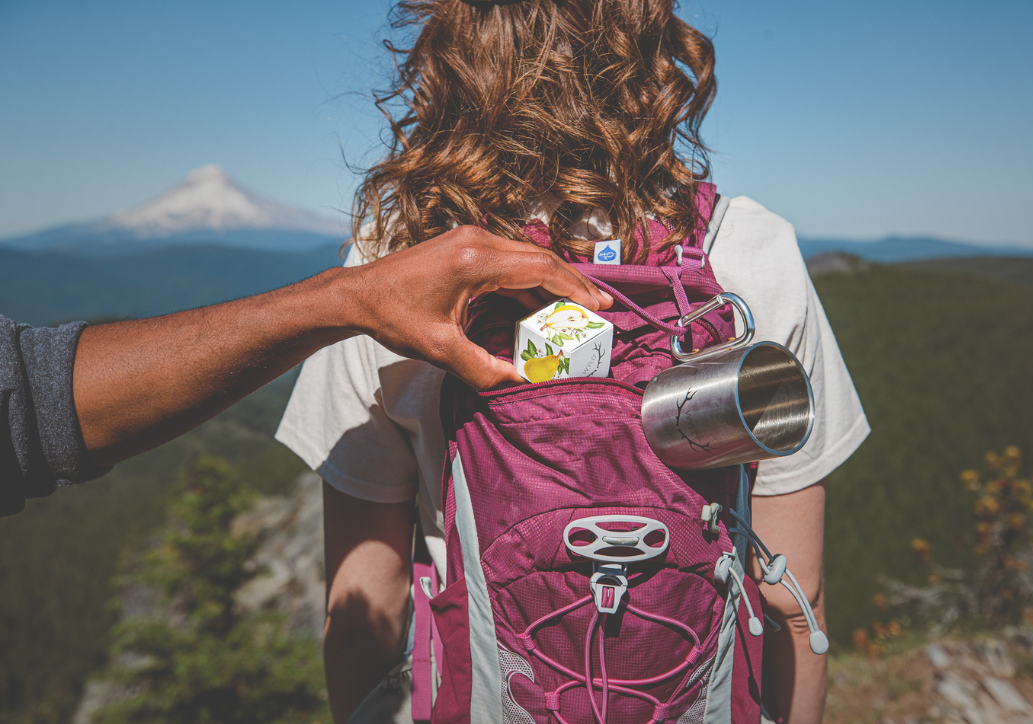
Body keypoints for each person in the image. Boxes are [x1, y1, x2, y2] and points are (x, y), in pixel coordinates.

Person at [275, 2, 870, 723]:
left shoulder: (396, 263)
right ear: (653, 54)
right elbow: (792, 592)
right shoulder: (748, 248)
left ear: (454, 60)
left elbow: (364, 600)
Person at [1, 226, 610, 517]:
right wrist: (345, 298)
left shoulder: (390, 252)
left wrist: (350, 294)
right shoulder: (710, 250)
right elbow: (34, 399)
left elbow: (31, 402)